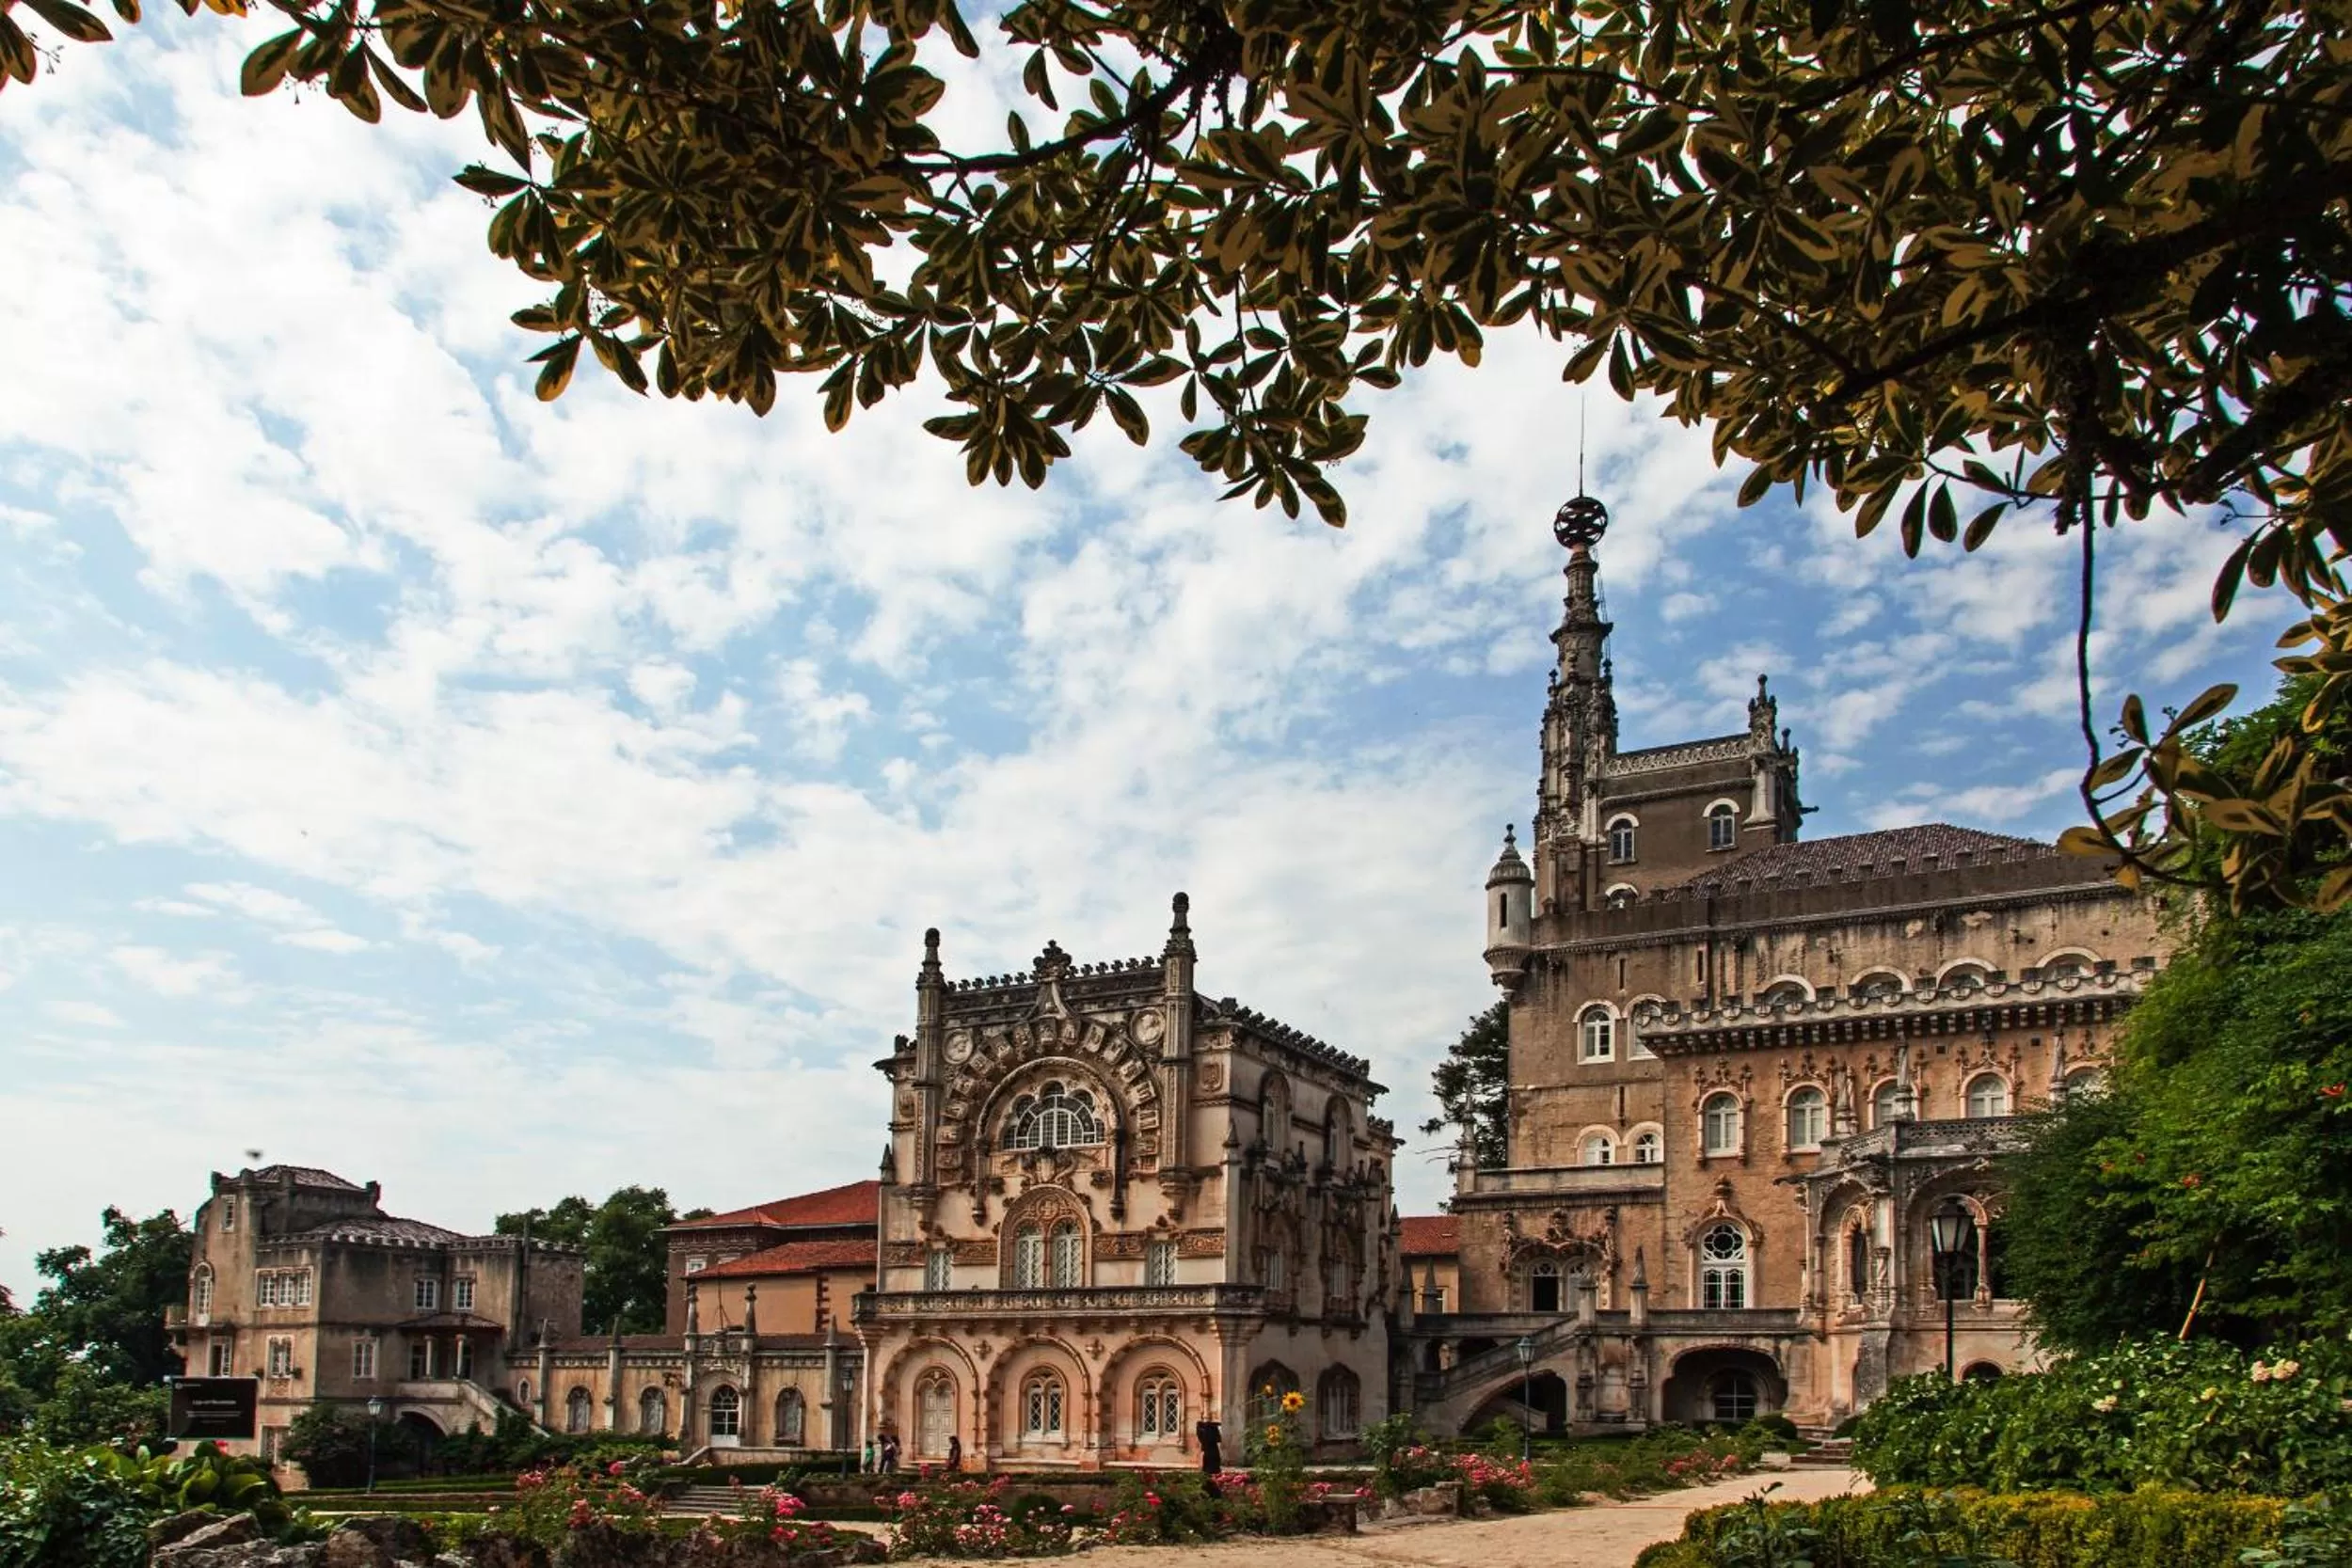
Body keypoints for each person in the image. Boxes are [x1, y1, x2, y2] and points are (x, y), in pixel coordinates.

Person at [1196, 1415, 1222, 1496]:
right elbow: (1218, 1438)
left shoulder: (1204, 1431)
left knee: (1208, 1474)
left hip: (1209, 1455)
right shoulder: (1208, 1431)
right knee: (1209, 1474)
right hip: (1211, 1455)